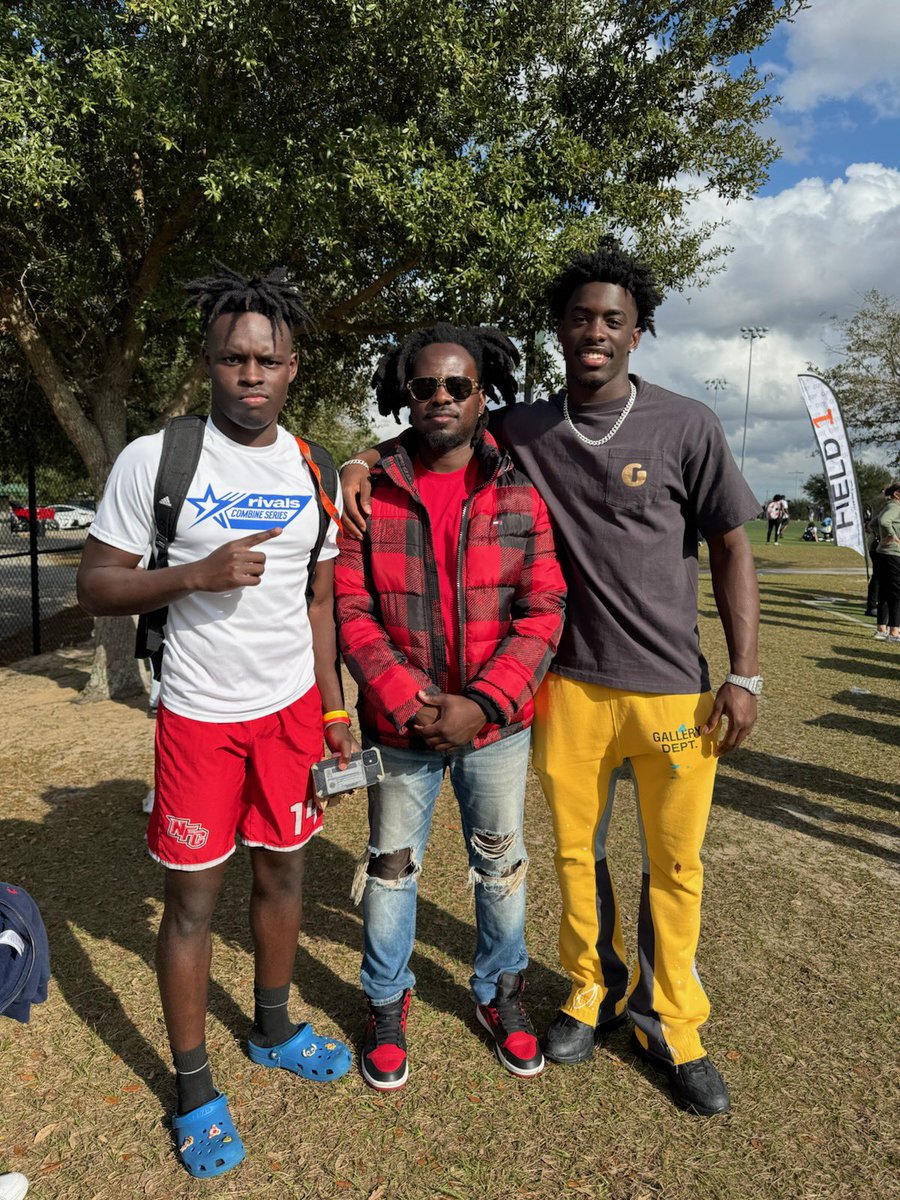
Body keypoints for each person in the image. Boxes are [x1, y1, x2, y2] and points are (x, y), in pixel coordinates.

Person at [341, 241, 762, 1116]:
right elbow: (429, 428)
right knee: (575, 858)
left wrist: (745, 672)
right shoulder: (523, 428)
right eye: (580, 319)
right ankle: (588, 995)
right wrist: (356, 460)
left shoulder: (687, 424)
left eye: (612, 319)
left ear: (638, 332)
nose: (595, 333)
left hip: (673, 688)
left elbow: (730, 544)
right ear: (560, 331)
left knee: (674, 865)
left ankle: (674, 1025)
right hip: (566, 689)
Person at [76, 266, 357, 1178]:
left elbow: (319, 600)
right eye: (233, 359)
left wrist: (331, 705)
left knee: (284, 877)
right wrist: (193, 575)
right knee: (193, 905)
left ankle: (272, 1025)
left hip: (287, 717)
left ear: (292, 367)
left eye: (266, 360)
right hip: (198, 718)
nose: (250, 375)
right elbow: (95, 587)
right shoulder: (157, 461)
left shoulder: (308, 465)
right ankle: (194, 1086)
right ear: (209, 363)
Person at [334, 324, 566, 1090]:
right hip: (400, 730)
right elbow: (352, 607)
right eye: (425, 386)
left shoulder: (518, 486)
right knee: (392, 869)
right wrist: (405, 698)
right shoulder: (372, 489)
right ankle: (386, 1003)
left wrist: (483, 703)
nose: (441, 398)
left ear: (482, 394)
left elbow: (544, 608)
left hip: (495, 730)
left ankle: (502, 993)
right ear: (407, 394)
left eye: (457, 386)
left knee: (500, 865)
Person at [871, 482, 900, 642]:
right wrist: (890, 536)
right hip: (893, 554)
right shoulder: (895, 507)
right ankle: (894, 632)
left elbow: (872, 524)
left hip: (883, 554)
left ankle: (882, 628)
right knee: (896, 594)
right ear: (897, 494)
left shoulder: (888, 506)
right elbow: (883, 522)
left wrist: (882, 537)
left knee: (884, 592)